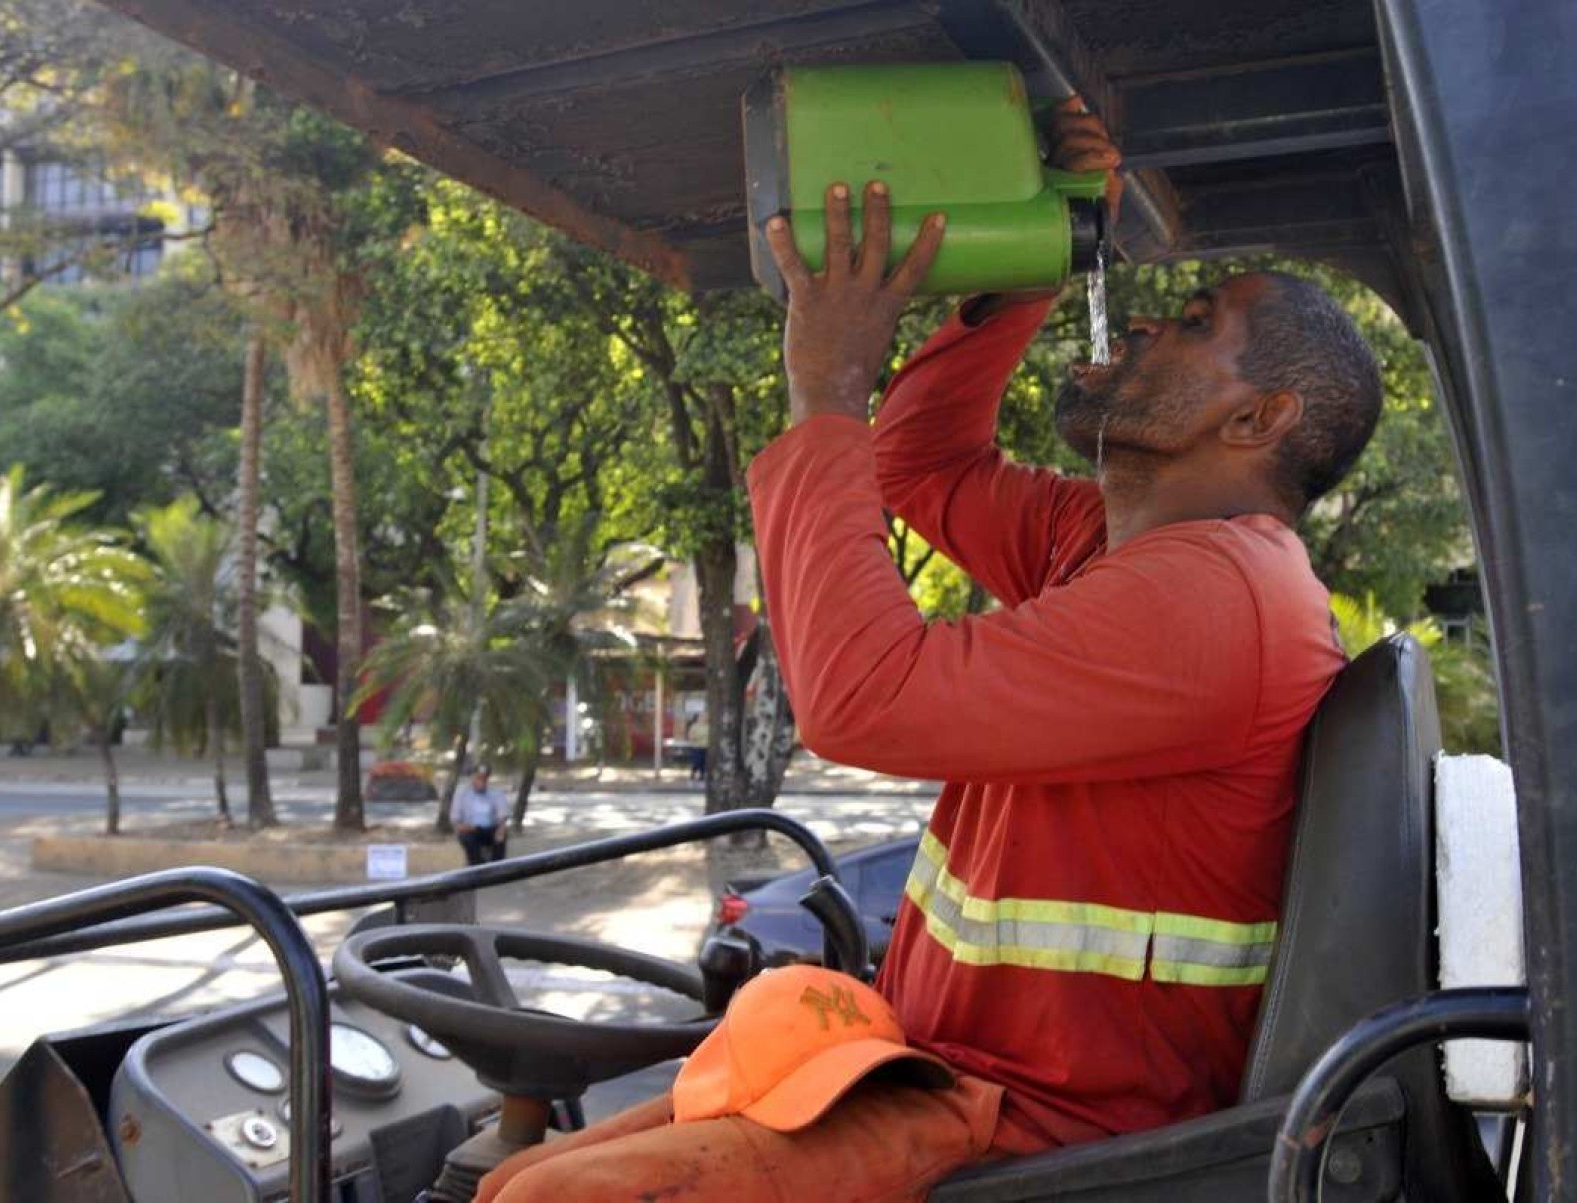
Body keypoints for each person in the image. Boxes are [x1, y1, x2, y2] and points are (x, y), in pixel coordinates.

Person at [477, 100, 1380, 1202]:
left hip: (1042, 1133)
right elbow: (925, 467)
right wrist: (1032, 259)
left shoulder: (1220, 596)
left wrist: (826, 389)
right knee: (517, 1177)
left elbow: (861, 701)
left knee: (548, 1199)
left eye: (1194, 325)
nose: (1143, 325)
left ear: (1259, 421)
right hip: (945, 1073)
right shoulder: (1117, 543)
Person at [451, 764, 508, 865]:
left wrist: (501, 828)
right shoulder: (462, 794)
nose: (481, 782)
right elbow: (455, 819)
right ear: (472, 778)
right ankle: (479, 868)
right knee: (467, 839)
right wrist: (463, 827)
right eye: (478, 778)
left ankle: (498, 868)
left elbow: (502, 815)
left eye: (484, 779)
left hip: (490, 828)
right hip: (470, 829)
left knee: (501, 838)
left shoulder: (496, 793)